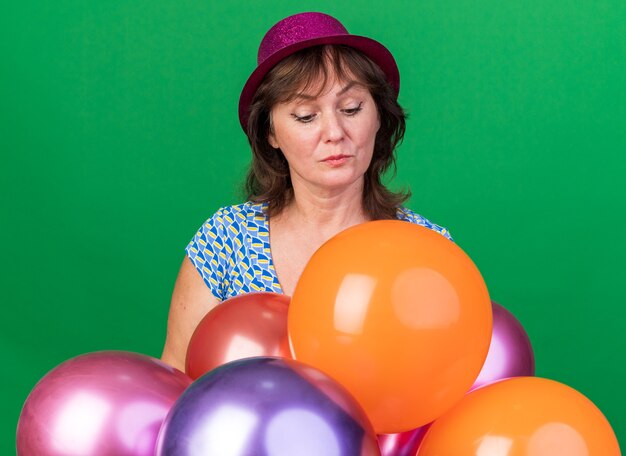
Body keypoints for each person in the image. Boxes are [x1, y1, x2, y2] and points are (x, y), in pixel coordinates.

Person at [161, 12, 452, 372]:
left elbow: (451, 393)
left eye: (351, 108)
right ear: (270, 133)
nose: (334, 132)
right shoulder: (225, 241)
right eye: (305, 115)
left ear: (378, 115)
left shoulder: (428, 249)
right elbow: (175, 387)